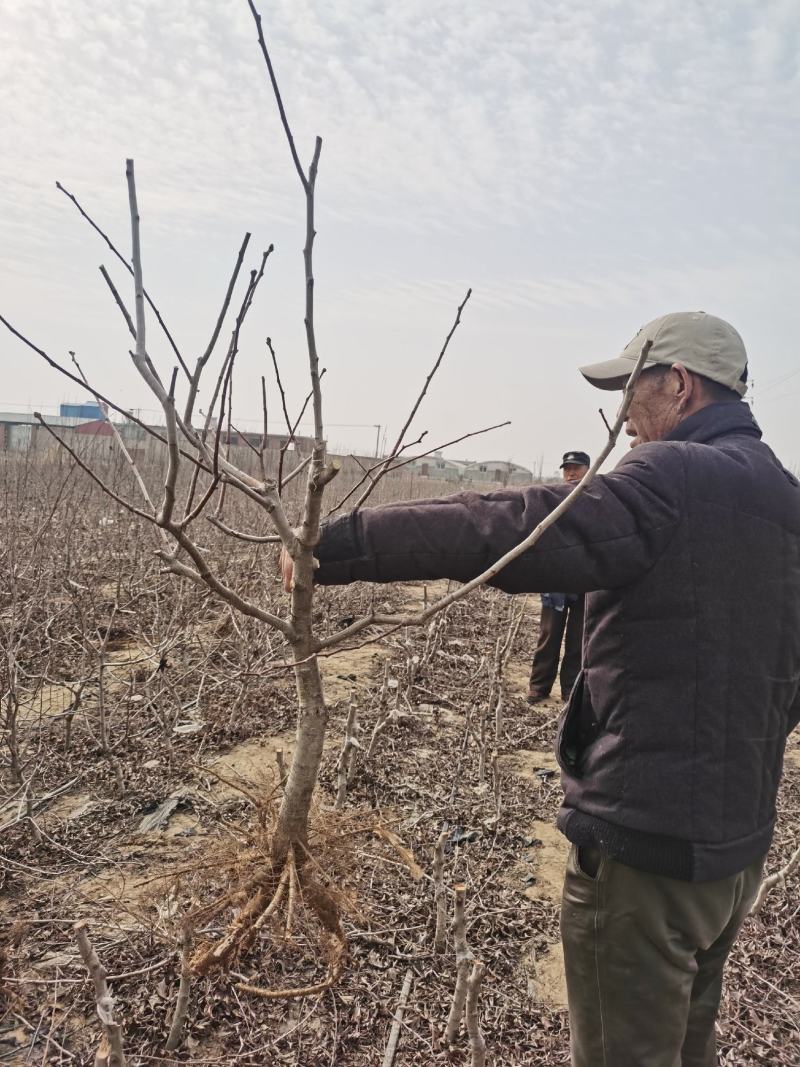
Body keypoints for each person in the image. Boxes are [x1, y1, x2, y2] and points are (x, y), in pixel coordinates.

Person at [283, 311, 800, 1066]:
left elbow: (511, 527)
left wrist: (344, 543)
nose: (622, 415)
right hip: (733, 857)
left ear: (680, 385)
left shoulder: (669, 478)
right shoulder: (787, 500)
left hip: (644, 855)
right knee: (692, 1043)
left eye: (631, 388)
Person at [528, 450, 591, 704]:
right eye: (567, 469)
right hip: (555, 580)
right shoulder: (553, 499)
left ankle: (570, 691)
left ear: (588, 469)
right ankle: (538, 687)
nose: (570, 473)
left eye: (576, 468)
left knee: (578, 640)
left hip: (585, 579)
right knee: (549, 635)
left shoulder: (596, 499)